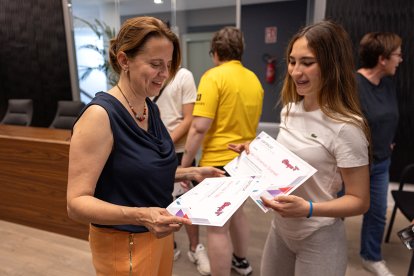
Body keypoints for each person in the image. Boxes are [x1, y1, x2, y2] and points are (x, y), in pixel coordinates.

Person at [66, 16, 224, 276]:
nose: (164, 75)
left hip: (156, 237)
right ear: (124, 61)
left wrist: (191, 172)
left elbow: (135, 171)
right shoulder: (100, 116)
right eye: (155, 65)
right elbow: (76, 204)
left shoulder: (148, 106)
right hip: (124, 244)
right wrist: (141, 216)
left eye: (169, 65)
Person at [229, 20, 370, 276]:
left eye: (307, 62)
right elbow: (289, 159)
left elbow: (360, 201)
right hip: (280, 230)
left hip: (319, 234)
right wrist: (255, 152)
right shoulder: (290, 110)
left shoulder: (346, 127)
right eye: (292, 61)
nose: (295, 71)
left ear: (331, 65)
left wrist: (309, 208)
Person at [181, 26, 264, 276]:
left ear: (215, 52)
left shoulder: (213, 77)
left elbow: (198, 128)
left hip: (218, 163)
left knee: (217, 226)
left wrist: (185, 166)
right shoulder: (253, 79)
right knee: (237, 212)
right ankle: (240, 261)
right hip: (246, 161)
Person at [154, 67, 211, 274]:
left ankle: (195, 247)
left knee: (187, 204)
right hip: (154, 152)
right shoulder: (148, 75)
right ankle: (170, 246)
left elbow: (189, 119)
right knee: (162, 201)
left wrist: (164, 144)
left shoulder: (184, 75)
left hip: (178, 151)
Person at [357, 32, 402, 276]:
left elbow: (389, 117)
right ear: (382, 59)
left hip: (381, 163)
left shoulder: (388, 84)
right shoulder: (353, 85)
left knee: (377, 213)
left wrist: (388, 141)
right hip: (354, 166)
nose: (401, 59)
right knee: (334, 213)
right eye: (397, 54)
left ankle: (370, 257)